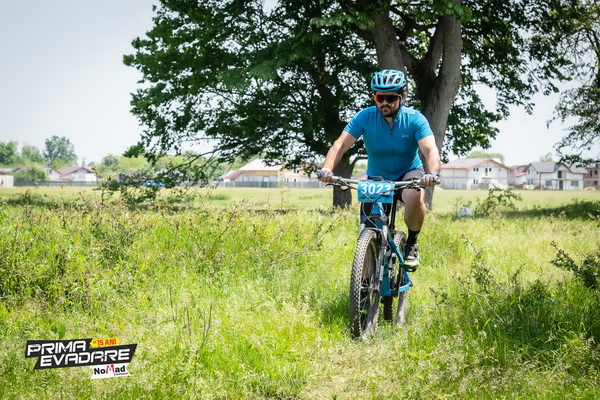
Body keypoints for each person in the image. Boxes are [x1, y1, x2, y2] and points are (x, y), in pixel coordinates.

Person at [317, 69, 441, 268]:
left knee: (415, 194)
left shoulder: (415, 119)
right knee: (368, 236)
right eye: (379, 97)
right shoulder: (365, 117)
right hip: (377, 179)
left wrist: (433, 173)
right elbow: (339, 146)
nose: (385, 102)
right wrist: (326, 169)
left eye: (390, 98)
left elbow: (430, 150)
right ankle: (365, 283)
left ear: (402, 97)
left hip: (408, 174)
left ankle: (411, 242)